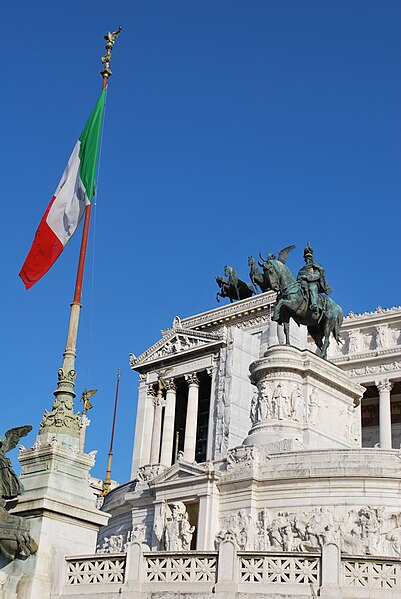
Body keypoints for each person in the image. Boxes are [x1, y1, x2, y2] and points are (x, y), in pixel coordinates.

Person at [297, 243, 332, 314]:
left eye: (309, 258)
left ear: (312, 259)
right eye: (306, 259)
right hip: (302, 284)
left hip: (313, 283)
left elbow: (317, 275)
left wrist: (307, 277)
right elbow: (298, 278)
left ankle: (314, 304)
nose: (308, 260)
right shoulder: (302, 269)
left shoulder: (315, 267)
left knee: (312, 288)